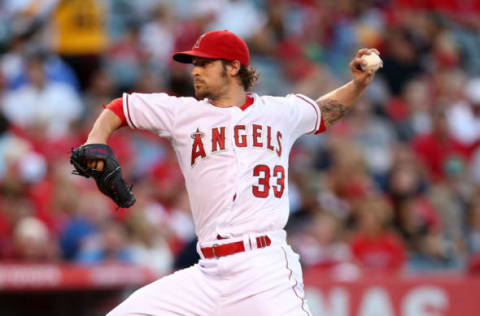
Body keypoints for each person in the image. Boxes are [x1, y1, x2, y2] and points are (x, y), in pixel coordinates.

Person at [78, 30, 378, 316]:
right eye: (194, 63)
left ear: (234, 67)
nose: (195, 70)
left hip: (264, 268)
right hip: (207, 272)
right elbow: (121, 107)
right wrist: (95, 139)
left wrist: (359, 84)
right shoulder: (182, 113)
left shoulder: (278, 112)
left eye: (205, 63)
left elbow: (323, 111)